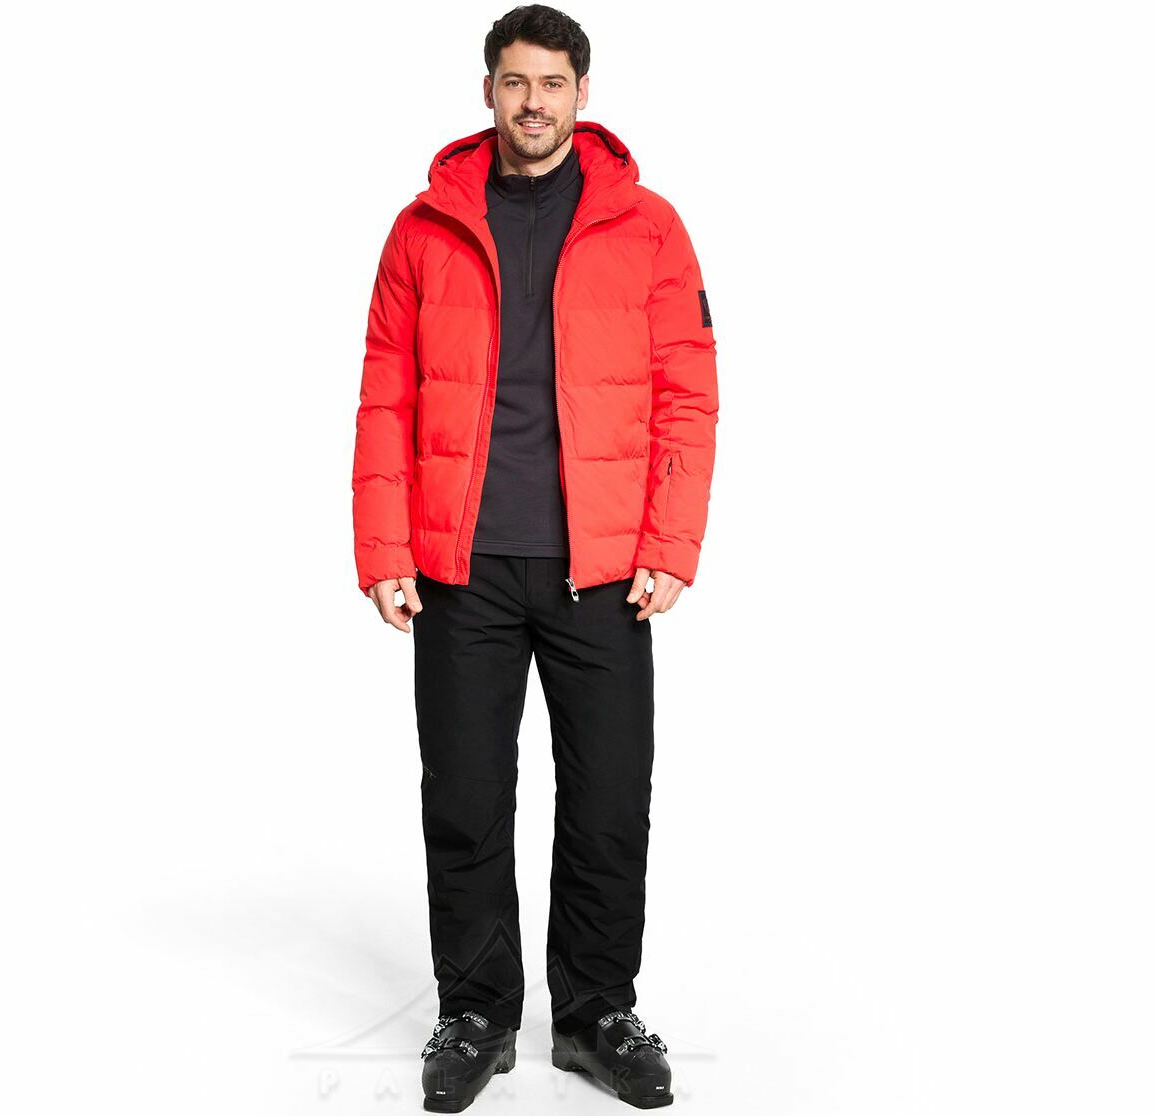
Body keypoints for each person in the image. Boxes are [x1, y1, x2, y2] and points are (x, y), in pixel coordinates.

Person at [350, 6, 718, 1110]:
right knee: (465, 797)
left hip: (601, 568)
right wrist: (384, 547)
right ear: (488, 92)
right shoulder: (423, 229)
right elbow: (384, 394)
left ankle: (597, 1013)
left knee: (607, 799)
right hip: (459, 563)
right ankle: (476, 1013)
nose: (534, 103)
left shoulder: (649, 228)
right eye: (515, 82)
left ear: (583, 94)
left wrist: (670, 543)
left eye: (553, 83)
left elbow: (688, 396)